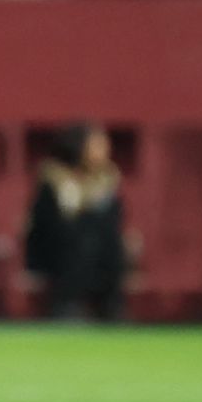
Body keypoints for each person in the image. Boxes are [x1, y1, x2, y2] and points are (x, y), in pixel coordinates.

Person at [23, 123, 127, 319]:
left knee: (110, 242)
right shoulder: (55, 178)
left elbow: (115, 219)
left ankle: (110, 306)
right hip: (56, 249)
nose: (103, 151)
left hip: (98, 251)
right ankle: (67, 303)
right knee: (82, 240)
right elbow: (49, 223)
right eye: (96, 146)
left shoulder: (106, 180)